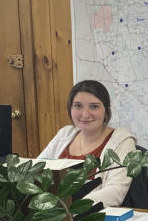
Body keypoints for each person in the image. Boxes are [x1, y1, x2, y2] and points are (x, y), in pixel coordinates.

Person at [38, 80, 136, 208]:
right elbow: (36, 171)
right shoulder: (65, 134)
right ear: (70, 108)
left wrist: (68, 205)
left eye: (94, 106)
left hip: (91, 218)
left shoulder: (123, 141)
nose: (85, 114)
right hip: (52, 214)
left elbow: (115, 193)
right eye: (78, 106)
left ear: (106, 111)